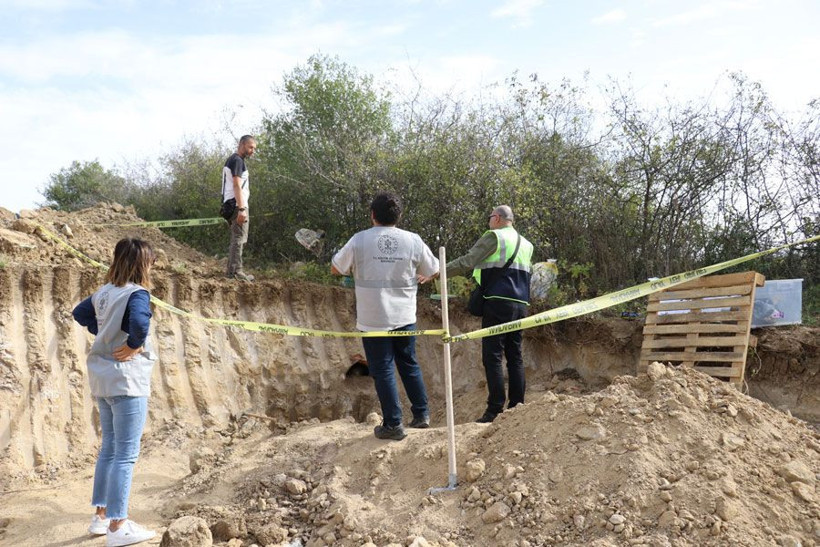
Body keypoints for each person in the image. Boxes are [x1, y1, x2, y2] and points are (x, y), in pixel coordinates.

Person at [331, 192, 439, 440]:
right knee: (408, 363)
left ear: (372, 215)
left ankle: (393, 424)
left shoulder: (360, 240)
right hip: (404, 315)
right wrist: (422, 276)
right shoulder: (413, 240)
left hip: (374, 318)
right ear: (398, 216)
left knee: (383, 369)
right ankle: (421, 415)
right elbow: (434, 269)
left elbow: (336, 267)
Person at [72, 238, 158, 547]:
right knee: (126, 454)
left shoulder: (104, 292)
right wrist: (133, 344)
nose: (152, 266)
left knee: (109, 448)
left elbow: (80, 313)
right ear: (141, 264)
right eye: (150, 261)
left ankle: (101, 517)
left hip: (103, 381)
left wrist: (105, 333)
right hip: (127, 382)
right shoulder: (137, 294)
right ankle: (119, 526)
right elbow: (138, 321)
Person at [446, 205, 534, 423]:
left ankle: (494, 409)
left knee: (492, 355)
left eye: (489, 217)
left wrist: (439, 271)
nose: (488, 221)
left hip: (497, 302)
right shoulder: (527, 244)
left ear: (497, 218)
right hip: (521, 304)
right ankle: (517, 406)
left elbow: (468, 261)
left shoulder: (494, 237)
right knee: (515, 355)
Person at [222, 134, 257, 281]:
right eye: (250, 147)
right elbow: (236, 185)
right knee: (239, 238)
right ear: (242, 144)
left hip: (232, 203)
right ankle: (237, 272)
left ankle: (232, 271)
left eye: (254, 148)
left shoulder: (234, 160)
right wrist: (242, 209)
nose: (252, 151)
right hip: (237, 205)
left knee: (237, 237)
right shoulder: (237, 160)